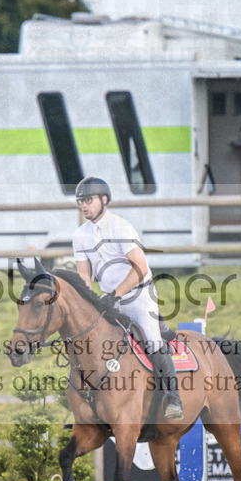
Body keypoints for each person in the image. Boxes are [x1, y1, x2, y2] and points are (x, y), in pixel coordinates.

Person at [72, 176, 184, 420]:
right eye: (81, 201)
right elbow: (83, 276)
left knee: (152, 342)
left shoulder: (121, 227)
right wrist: (87, 302)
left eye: (88, 200)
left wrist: (117, 294)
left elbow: (141, 267)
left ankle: (173, 397)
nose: (84, 205)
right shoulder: (80, 235)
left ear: (104, 200)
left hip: (139, 295)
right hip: (109, 298)